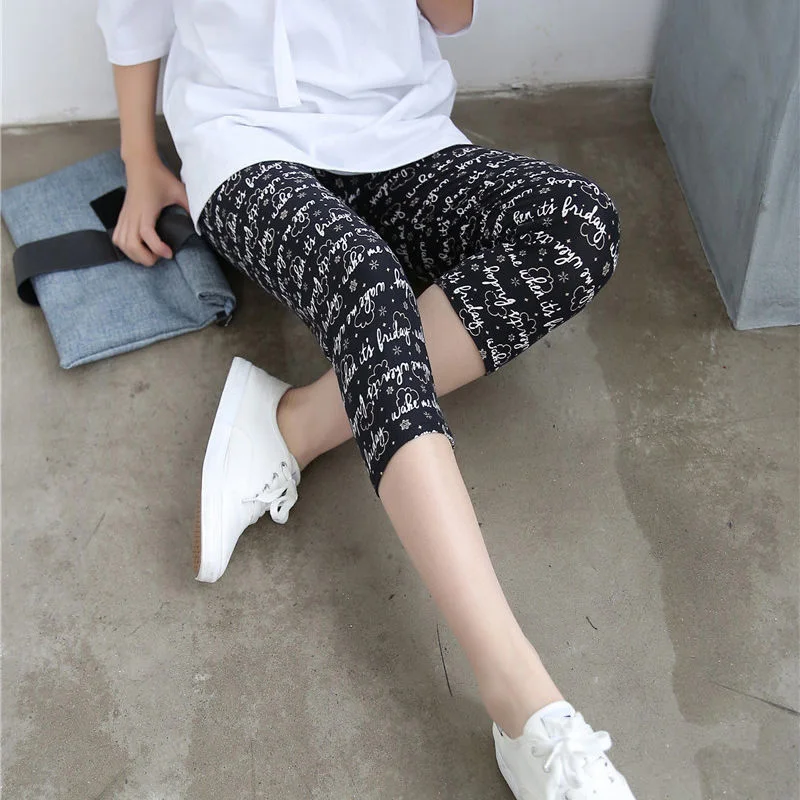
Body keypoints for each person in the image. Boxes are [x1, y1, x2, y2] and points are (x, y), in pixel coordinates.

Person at [98, 1, 635, 797]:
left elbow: (452, 16)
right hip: (244, 143)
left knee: (578, 224)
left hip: (398, 131)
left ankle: (295, 424)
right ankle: (524, 705)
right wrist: (139, 156)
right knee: (367, 283)